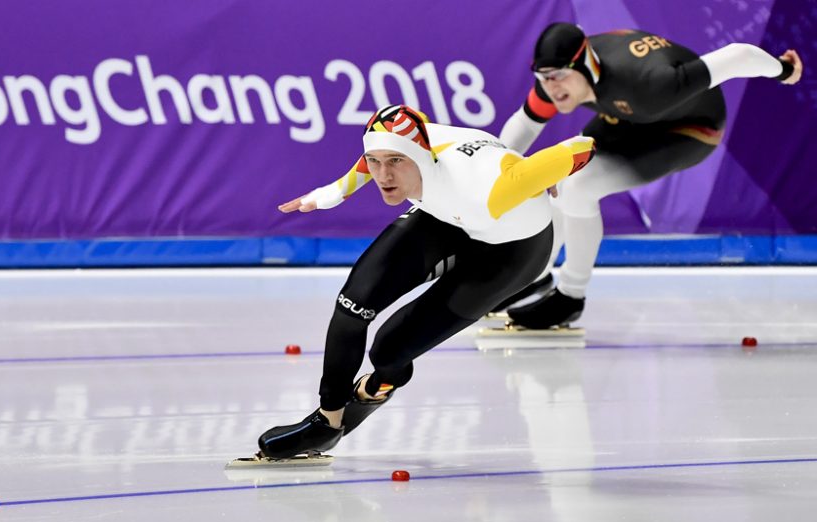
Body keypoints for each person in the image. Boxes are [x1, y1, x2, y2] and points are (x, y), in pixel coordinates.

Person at [256, 104, 595, 460]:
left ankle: (375, 388)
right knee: (352, 305)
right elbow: (381, 153)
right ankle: (327, 424)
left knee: (388, 351)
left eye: (397, 162)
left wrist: (551, 173)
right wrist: (337, 191)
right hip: (444, 217)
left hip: (509, 252)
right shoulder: (411, 144)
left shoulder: (491, 186)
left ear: (421, 156)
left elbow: (582, 146)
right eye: (377, 161)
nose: (384, 175)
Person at [495, 23, 804, 329]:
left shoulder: (650, 83)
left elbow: (739, 56)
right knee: (561, 175)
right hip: (629, 116)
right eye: (543, 78)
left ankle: (571, 296)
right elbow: (525, 124)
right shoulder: (560, 78)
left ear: (586, 65)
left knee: (579, 186)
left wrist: (784, 69)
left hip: (688, 128)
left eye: (558, 77)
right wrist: (493, 175)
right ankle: (535, 278)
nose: (551, 87)